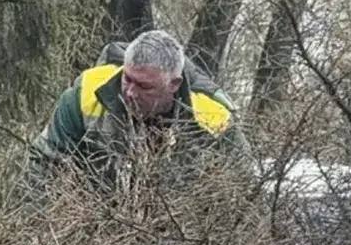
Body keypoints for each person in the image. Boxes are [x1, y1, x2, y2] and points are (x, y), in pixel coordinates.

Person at [26, 29, 249, 192]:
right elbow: (42, 163)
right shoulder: (88, 90)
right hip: (97, 224)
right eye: (127, 79)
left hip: (181, 237)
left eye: (144, 86)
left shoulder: (213, 120)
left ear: (174, 84)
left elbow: (246, 196)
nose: (130, 92)